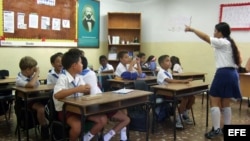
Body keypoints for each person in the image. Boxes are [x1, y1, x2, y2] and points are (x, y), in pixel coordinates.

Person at [185, 22, 242, 139]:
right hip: (232, 73)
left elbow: (206, 37)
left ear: (220, 33)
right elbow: (239, 60)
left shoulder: (222, 42)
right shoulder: (230, 43)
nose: (214, 33)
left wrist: (192, 29)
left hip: (223, 73)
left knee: (214, 100)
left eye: (215, 31)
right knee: (226, 103)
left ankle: (216, 129)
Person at [53, 48, 107, 141]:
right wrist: (77, 89)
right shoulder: (63, 78)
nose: (83, 65)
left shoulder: (79, 77)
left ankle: (85, 138)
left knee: (103, 119)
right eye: (81, 63)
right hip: (66, 111)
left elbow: (84, 94)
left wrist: (87, 91)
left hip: (80, 109)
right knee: (77, 126)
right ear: (74, 65)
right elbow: (57, 95)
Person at [81, 56, 130, 141]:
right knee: (125, 116)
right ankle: (108, 137)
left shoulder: (87, 74)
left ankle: (115, 137)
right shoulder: (89, 74)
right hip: (96, 105)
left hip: (100, 101)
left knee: (124, 109)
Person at [15, 56, 49, 139]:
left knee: (51, 103)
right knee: (41, 108)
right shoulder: (19, 79)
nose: (34, 71)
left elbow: (38, 86)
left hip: (36, 98)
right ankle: (44, 129)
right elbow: (31, 85)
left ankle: (53, 126)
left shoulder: (31, 77)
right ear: (27, 70)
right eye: (33, 69)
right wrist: (37, 73)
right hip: (26, 101)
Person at [157, 55, 193, 128]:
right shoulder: (161, 72)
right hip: (166, 94)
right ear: (161, 64)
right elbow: (170, 81)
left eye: (170, 60)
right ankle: (179, 119)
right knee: (185, 98)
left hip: (173, 92)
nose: (170, 62)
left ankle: (184, 114)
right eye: (167, 61)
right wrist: (183, 81)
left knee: (192, 96)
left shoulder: (168, 72)